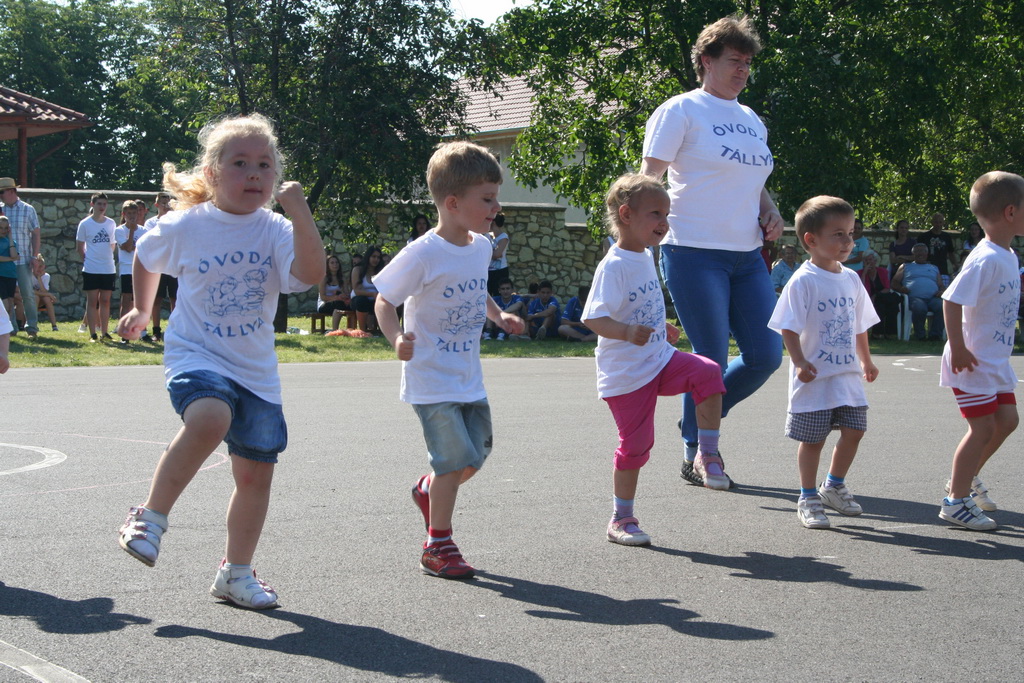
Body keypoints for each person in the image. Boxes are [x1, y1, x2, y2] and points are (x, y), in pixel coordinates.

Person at [115, 114, 324, 609]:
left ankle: (236, 573)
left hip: (256, 371)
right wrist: (143, 308)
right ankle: (150, 516)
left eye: (264, 165)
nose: (254, 173)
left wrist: (301, 213)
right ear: (211, 173)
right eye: (240, 163)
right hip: (197, 354)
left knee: (254, 477)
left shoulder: (276, 228)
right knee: (211, 417)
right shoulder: (188, 224)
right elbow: (146, 256)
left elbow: (310, 274)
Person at [641, 15, 783, 486]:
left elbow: (754, 181)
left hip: (747, 255)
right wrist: (637, 240)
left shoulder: (751, 119)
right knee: (710, 360)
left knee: (766, 355)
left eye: (748, 63)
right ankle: (702, 453)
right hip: (692, 250)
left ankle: (695, 425)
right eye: (734, 61)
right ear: (706, 60)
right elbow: (647, 180)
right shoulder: (680, 110)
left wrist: (771, 210)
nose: (743, 70)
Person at [373, 140, 524, 579]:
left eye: (496, 197)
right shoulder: (423, 252)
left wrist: (499, 315)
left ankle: (428, 490)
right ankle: (437, 545)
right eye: (488, 199)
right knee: (452, 461)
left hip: (467, 376)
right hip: (431, 378)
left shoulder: (481, 246)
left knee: (475, 456)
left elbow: (478, 289)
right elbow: (384, 300)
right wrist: (396, 337)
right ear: (453, 203)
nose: (497, 207)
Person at [584, 175, 728, 545]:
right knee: (636, 447)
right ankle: (621, 518)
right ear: (626, 215)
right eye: (656, 214)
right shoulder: (614, 265)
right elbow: (594, 318)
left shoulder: (646, 254)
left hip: (659, 359)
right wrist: (626, 331)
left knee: (708, 372)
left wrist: (659, 325)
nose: (664, 221)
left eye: (666, 213)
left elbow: (635, 303)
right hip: (627, 375)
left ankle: (706, 455)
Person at [768, 196, 879, 529]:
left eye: (850, 233)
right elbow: (788, 327)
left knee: (855, 430)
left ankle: (833, 486)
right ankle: (807, 496)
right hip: (814, 377)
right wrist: (799, 360)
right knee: (814, 440)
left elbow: (860, 324)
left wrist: (867, 360)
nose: (848, 241)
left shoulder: (851, 279)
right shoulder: (803, 280)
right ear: (811, 240)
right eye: (838, 234)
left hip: (846, 374)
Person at [937, 171, 1024, 531]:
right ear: (1010, 212)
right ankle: (955, 502)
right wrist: (958, 347)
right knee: (982, 428)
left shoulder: (1008, 255)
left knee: (1007, 421)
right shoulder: (985, 257)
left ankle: (966, 477)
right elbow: (951, 300)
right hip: (972, 361)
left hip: (994, 361)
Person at [0, 177, 41, 339]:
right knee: (7, 297)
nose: (0, 195)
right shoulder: (0, 210)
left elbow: (36, 234)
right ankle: (10, 328)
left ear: (11, 191)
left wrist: (34, 256)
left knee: (28, 294)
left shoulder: (27, 209)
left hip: (23, 259)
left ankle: (32, 328)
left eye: (2, 192)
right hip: (4, 262)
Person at [76, 192, 117, 342]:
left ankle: (104, 332)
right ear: (92, 204)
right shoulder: (85, 224)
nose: (102, 207)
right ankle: (93, 333)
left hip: (108, 268)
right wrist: (88, 260)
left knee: (105, 301)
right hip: (91, 268)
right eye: (99, 203)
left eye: (104, 204)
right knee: (92, 301)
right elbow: (80, 247)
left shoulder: (111, 223)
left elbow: (112, 245)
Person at [892, 243, 945, 340]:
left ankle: (935, 335)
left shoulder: (933, 268)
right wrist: (901, 288)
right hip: (915, 298)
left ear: (927, 253)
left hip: (933, 298)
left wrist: (941, 291)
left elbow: (941, 285)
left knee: (942, 306)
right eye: (917, 251)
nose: (920, 253)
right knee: (920, 307)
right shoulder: (905, 266)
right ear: (913, 254)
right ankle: (920, 335)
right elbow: (894, 282)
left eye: (922, 251)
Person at [146, 191, 175, 341]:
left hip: (173, 265)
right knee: (156, 299)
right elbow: (152, 242)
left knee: (175, 299)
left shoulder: (176, 221)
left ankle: (175, 330)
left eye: (168, 203)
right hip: (158, 266)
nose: (166, 206)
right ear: (156, 204)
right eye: (163, 203)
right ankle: (156, 331)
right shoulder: (150, 223)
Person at [114, 200, 144, 346]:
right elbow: (127, 247)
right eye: (129, 213)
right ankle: (123, 332)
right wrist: (131, 231)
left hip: (140, 269)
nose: (132, 216)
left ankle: (140, 331)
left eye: (134, 213)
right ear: (124, 214)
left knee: (139, 302)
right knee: (126, 300)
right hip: (126, 269)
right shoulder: (119, 230)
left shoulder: (144, 231)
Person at [859, 250, 900, 339]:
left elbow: (887, 288)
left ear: (875, 261)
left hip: (881, 297)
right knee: (880, 305)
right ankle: (878, 333)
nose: (869, 262)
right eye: (866, 260)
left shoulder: (882, 271)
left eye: (871, 259)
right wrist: (864, 273)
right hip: (866, 299)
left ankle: (888, 333)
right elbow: (860, 289)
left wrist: (876, 295)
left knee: (890, 305)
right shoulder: (859, 273)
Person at [350, 245, 383, 333]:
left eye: (378, 257)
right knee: (362, 301)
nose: (376, 259)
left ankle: (383, 330)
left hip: (376, 299)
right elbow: (357, 290)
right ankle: (362, 330)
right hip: (359, 299)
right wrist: (372, 294)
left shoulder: (381, 271)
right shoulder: (357, 269)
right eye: (373, 257)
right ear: (368, 256)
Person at [917, 212, 959, 278]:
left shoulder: (946, 236)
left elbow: (951, 253)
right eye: (936, 222)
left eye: (940, 222)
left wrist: (955, 265)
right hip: (928, 270)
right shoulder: (923, 237)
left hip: (943, 270)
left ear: (943, 223)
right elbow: (918, 253)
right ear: (932, 223)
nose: (938, 224)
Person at [317, 254, 350, 331]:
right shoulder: (324, 278)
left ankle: (351, 329)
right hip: (324, 304)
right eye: (332, 263)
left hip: (339, 302)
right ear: (327, 265)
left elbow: (347, 294)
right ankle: (335, 330)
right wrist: (336, 297)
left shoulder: (342, 278)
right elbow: (323, 297)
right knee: (338, 304)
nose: (335, 265)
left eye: (336, 262)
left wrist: (342, 295)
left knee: (350, 305)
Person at [31, 253, 59, 332]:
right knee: (36, 297)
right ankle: (33, 324)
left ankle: (54, 325)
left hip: (41, 299)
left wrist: (39, 278)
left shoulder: (46, 276)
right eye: (37, 267)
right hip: (32, 299)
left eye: (41, 266)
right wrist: (49, 294)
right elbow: (30, 292)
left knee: (47, 299)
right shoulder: (29, 275)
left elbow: (44, 291)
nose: (39, 269)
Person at [486, 212, 510, 296]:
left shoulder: (503, 237)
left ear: (494, 222)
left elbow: (497, 254)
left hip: (500, 271)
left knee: (498, 295)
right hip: (489, 271)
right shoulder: (488, 236)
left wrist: (486, 253)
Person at [0, 216, 18, 321]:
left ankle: (7, 327)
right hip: (0, 275)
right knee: (5, 304)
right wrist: (11, 259)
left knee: (10, 305)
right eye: (0, 228)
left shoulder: (12, 241)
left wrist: (10, 238)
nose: (3, 230)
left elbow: (14, 255)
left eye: (5, 228)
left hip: (11, 274)